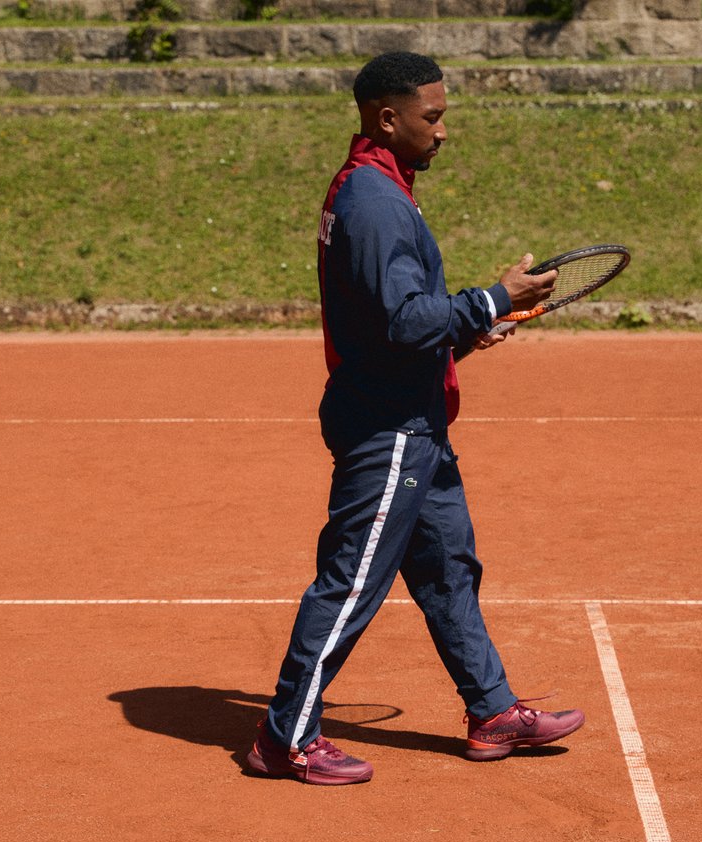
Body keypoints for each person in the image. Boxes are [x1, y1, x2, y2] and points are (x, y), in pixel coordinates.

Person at [248, 51, 584, 786]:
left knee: (447, 570)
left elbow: (390, 321)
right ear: (386, 117)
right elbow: (401, 323)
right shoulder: (374, 202)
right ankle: (286, 739)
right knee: (351, 582)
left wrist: (467, 329)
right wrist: (492, 298)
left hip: (413, 415)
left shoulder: (379, 185)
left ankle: (491, 709)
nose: (443, 132)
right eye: (431, 118)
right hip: (389, 425)